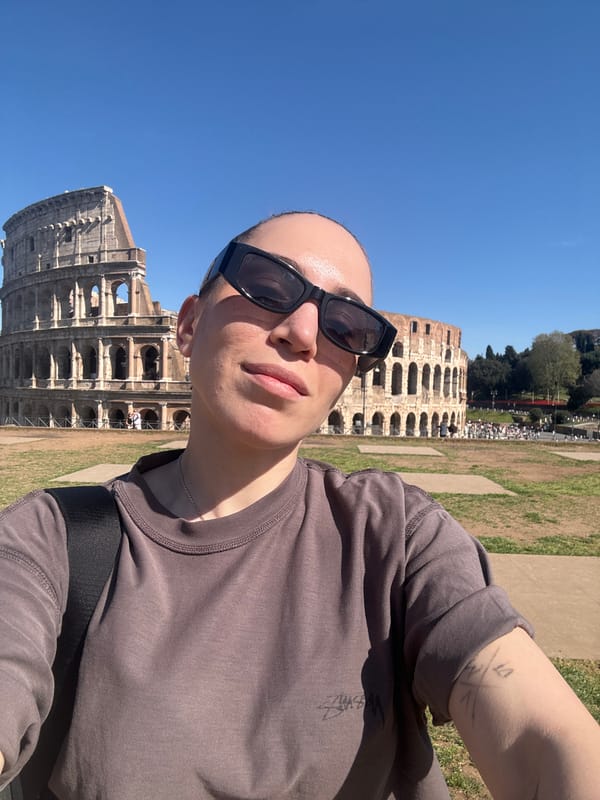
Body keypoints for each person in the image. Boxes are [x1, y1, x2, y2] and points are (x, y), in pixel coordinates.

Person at [1, 211, 599, 799]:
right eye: (267, 287)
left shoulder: (397, 536)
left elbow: (537, 734)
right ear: (186, 325)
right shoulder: (48, 540)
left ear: (351, 376)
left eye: (349, 327)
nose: (303, 333)